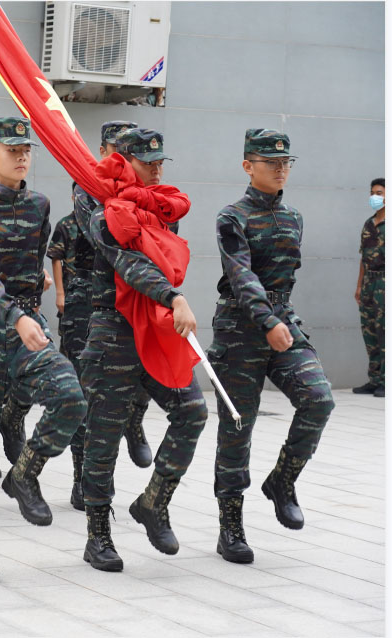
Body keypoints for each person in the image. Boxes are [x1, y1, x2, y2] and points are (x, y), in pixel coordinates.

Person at [0, 117, 87, 583]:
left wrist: (34, 296)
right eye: (11, 149)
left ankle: (25, 471)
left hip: (28, 325)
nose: (22, 155)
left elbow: (32, 264)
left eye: (26, 148)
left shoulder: (39, 204)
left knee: (70, 396)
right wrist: (17, 314)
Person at [78, 128, 207, 572]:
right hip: (113, 330)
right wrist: (172, 297)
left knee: (192, 410)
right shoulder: (97, 205)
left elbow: (167, 257)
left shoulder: (161, 206)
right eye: (147, 160)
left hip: (154, 324)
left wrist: (171, 298)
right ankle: (98, 534)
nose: (156, 167)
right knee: (104, 434)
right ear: (123, 159)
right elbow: (129, 262)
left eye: (160, 160)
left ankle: (154, 501)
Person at [208, 129, 335, 563]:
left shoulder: (294, 217)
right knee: (237, 428)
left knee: (318, 399)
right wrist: (265, 321)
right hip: (241, 329)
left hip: (283, 322)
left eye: (285, 163)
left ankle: (282, 479)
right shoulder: (232, 217)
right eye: (270, 162)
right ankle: (231, 526)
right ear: (248, 166)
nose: (280, 169)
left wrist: (277, 320)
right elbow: (241, 276)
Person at [47, 120, 145, 512]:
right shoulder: (89, 187)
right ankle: (81, 479)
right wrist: (62, 293)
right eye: (120, 149)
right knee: (87, 396)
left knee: (133, 388)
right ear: (104, 150)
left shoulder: (143, 191)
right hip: (87, 305)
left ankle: (134, 426)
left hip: (130, 304)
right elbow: (101, 237)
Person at [353, 178, 385, 397]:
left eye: (380, 192)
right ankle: (375, 379)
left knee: (385, 332)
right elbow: (363, 258)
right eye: (373, 192)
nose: (375, 196)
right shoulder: (368, 224)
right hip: (368, 284)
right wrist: (358, 286)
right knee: (370, 332)